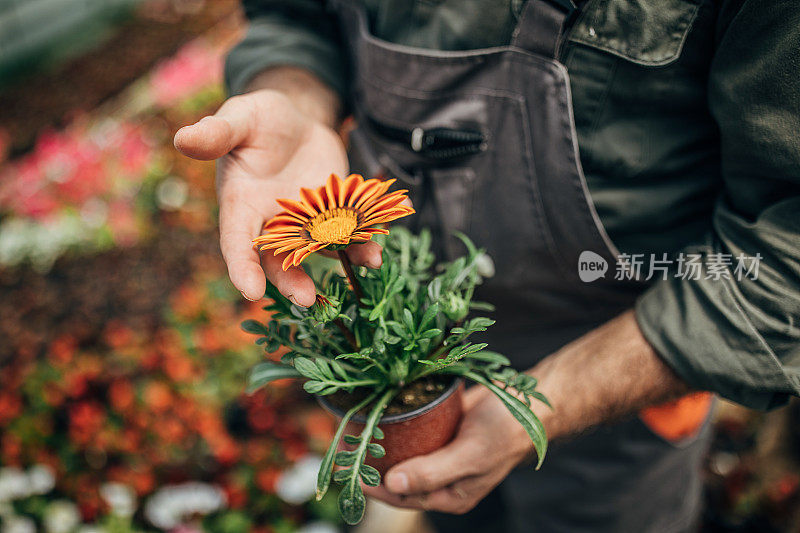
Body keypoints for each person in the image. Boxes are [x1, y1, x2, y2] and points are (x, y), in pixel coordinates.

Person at [174, 1, 800, 531]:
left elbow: (782, 263)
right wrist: (294, 96)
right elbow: (293, 17)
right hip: (428, 373)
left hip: (627, 389)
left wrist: (541, 408)